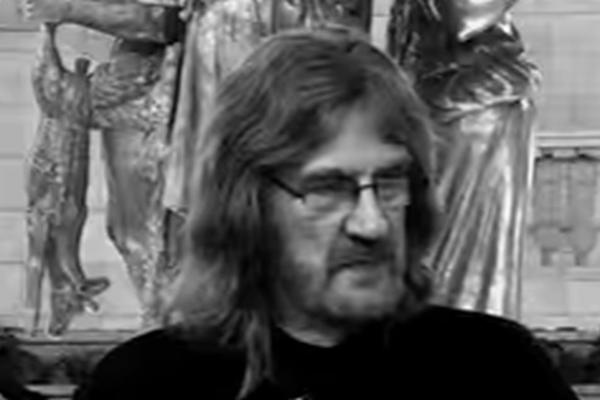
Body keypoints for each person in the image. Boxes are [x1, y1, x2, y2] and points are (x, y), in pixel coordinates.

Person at [73, 26, 578, 400]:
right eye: (329, 189)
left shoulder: (500, 371)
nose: (372, 224)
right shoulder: (144, 388)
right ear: (248, 204)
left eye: (390, 182)